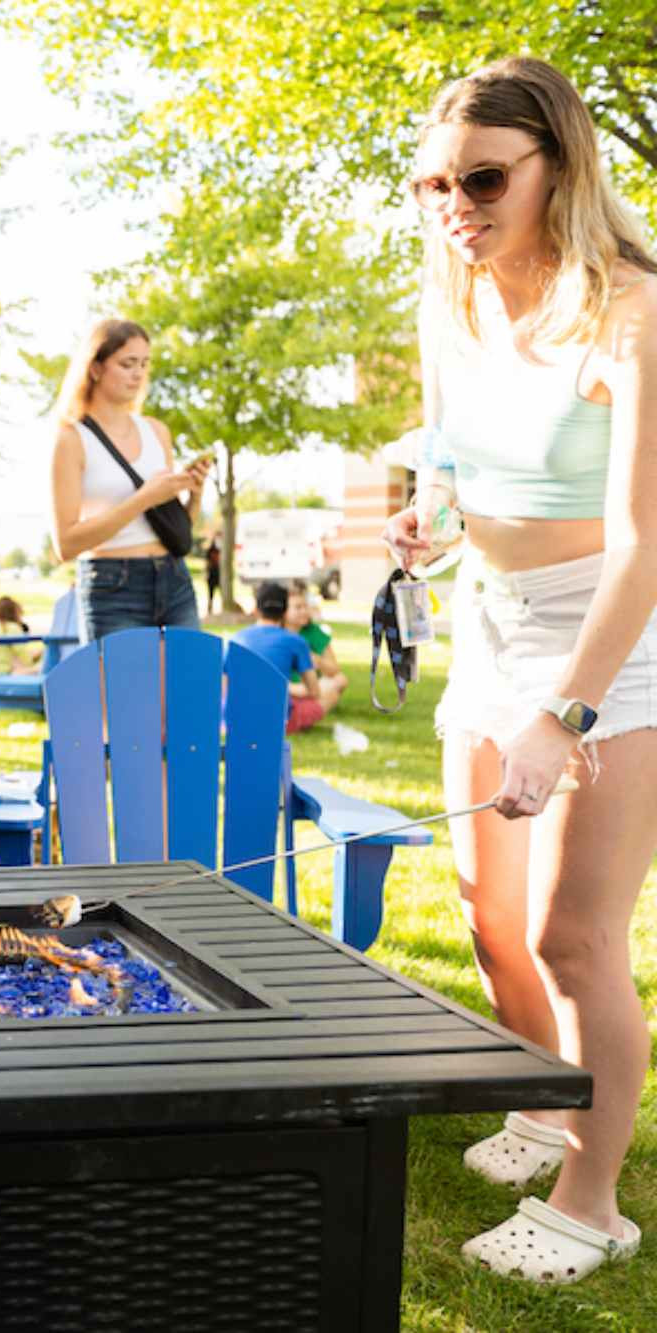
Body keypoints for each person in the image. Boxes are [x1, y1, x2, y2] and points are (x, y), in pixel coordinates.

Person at [384, 56, 657, 1285]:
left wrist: (565, 712)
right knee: (484, 911)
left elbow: (644, 542)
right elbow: (449, 462)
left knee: (571, 937)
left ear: (559, 165)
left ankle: (589, 1199)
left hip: (606, 636)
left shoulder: (631, 310)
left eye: (484, 178)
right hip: (488, 620)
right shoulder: (450, 298)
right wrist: (427, 517)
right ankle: (545, 1105)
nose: (455, 204)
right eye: (433, 182)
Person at [48, 319, 212, 642]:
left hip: (173, 577)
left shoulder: (156, 431)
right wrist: (143, 499)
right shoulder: (70, 439)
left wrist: (193, 493)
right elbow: (65, 544)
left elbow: (173, 528)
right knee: (123, 693)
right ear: (95, 368)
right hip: (112, 587)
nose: (138, 374)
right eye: (127, 364)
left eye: (144, 364)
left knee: (189, 689)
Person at [230, 581, 339, 734]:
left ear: (256, 609)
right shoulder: (295, 641)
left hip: (237, 719)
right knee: (330, 694)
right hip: (276, 722)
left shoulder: (236, 639)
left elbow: (224, 688)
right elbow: (314, 691)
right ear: (285, 611)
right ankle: (297, 723)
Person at [283, 582, 347, 695]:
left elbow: (335, 669)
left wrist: (318, 661)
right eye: (298, 607)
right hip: (286, 684)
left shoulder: (314, 632)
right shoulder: (276, 633)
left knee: (340, 680)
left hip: (311, 684)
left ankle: (308, 697)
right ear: (283, 612)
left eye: (306, 606)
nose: (304, 611)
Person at [0, 595, 42, 675]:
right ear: (15, 613)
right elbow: (26, 659)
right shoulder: (11, 628)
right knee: (43, 668)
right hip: (6, 673)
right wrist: (41, 652)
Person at [204, 534, 223, 615]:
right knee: (210, 593)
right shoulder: (210, 550)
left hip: (219, 574)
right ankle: (210, 608)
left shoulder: (221, 550)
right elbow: (207, 563)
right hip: (211, 574)